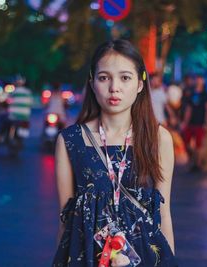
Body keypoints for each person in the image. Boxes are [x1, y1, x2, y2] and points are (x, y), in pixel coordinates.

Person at [52, 39, 176, 266]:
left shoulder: (159, 139)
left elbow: (164, 214)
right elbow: (65, 219)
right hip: (87, 258)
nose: (114, 87)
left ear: (140, 84)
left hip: (145, 257)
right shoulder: (70, 141)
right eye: (104, 77)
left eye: (125, 77)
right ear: (91, 82)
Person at [180, 74, 207, 172]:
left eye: (200, 79)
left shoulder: (206, 94)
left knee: (199, 144)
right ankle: (193, 158)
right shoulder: (192, 93)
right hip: (191, 122)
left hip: (200, 122)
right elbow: (188, 109)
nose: (198, 81)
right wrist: (185, 122)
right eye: (197, 79)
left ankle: (197, 164)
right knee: (186, 142)